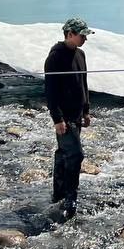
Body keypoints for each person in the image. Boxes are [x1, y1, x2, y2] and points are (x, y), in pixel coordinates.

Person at [45, 17, 92, 219]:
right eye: (82, 35)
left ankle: (59, 194)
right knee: (75, 155)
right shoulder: (55, 57)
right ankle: (70, 197)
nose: (85, 39)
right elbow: (50, 91)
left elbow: (83, 83)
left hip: (76, 114)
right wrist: (57, 119)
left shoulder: (80, 54)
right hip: (64, 116)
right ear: (70, 34)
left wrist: (86, 110)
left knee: (64, 153)